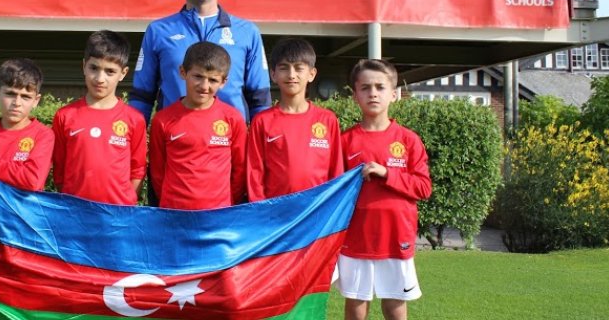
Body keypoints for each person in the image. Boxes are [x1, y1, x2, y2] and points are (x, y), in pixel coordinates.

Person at [130, 0, 271, 125]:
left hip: (230, 144)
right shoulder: (158, 31)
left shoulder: (247, 32)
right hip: (176, 143)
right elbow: (142, 95)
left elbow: (260, 99)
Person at [337, 59, 432, 320]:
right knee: (356, 307)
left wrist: (387, 173)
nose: (373, 93)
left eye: (380, 87)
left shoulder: (408, 140)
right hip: (356, 238)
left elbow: (423, 188)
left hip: (395, 237)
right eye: (365, 88)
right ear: (355, 95)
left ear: (394, 94)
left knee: (394, 305)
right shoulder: (345, 141)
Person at [51, 30, 146, 205]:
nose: (100, 78)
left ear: (123, 73)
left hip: (117, 216)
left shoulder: (134, 119)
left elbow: (138, 170)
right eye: (94, 68)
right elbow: (59, 170)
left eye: (110, 71)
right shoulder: (65, 116)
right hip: (75, 212)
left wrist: (125, 204)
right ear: (84, 66)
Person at [149, 41, 247, 210]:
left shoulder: (232, 118)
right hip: (174, 213)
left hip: (219, 213)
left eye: (213, 80)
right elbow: (157, 173)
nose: (204, 86)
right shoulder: (163, 119)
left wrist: (228, 204)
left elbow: (240, 170)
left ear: (224, 81)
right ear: (183, 72)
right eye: (198, 77)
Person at [0, 58, 54, 243]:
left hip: (26, 231)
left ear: (36, 100)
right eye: (11, 94)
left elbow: (32, 180)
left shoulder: (43, 135)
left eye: (25, 96)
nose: (17, 102)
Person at [246, 38, 343, 201]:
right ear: (273, 74)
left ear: (311, 74)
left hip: (316, 212)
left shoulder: (327, 120)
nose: (291, 75)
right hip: (276, 215)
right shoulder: (262, 121)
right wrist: (261, 214)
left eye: (299, 68)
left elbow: (336, 171)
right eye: (284, 68)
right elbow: (255, 174)